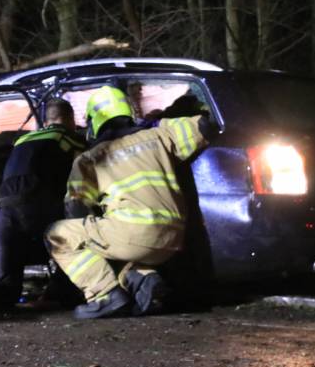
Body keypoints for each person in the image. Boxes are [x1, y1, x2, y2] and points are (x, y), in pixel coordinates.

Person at [46, 85, 217, 320]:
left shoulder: (91, 158)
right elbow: (205, 126)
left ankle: (104, 295)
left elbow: (75, 209)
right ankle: (144, 278)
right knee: (113, 237)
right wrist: (161, 120)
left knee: (60, 235)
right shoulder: (158, 136)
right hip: (174, 238)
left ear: (95, 121)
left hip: (133, 235)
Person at [0, 98, 85, 317]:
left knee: (8, 288)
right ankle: (58, 294)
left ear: (45, 120)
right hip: (40, 209)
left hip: (5, 213)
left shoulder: (23, 140)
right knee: (77, 238)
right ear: (70, 119)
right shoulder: (68, 138)